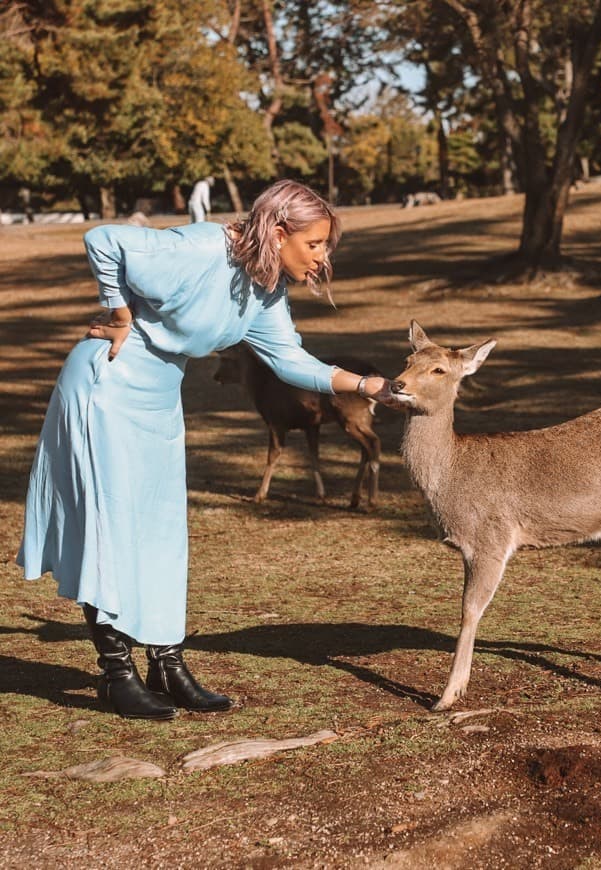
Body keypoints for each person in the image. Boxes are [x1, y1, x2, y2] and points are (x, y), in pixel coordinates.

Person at [17, 179, 400, 722]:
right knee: (113, 530)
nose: (322, 257)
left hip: (157, 400)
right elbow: (104, 239)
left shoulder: (264, 290)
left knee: (164, 533)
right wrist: (119, 312)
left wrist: (367, 386)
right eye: (315, 244)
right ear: (279, 231)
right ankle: (115, 674)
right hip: (105, 388)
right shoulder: (199, 247)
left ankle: (166, 664)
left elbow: (291, 361)